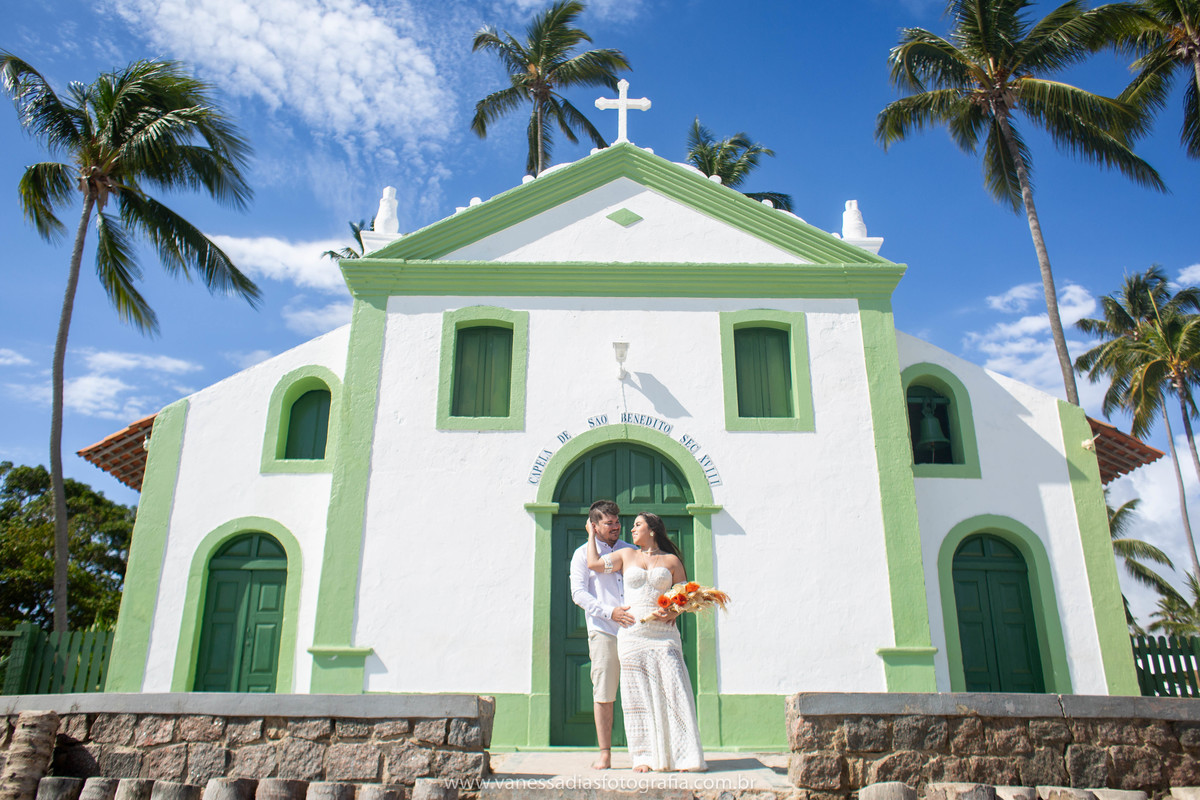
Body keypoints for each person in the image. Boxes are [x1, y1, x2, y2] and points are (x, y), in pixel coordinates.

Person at [586, 512, 706, 773]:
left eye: (637, 525)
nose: (631, 530)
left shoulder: (671, 560)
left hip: (664, 636)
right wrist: (591, 533)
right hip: (632, 635)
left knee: (675, 691)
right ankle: (644, 757)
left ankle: (684, 755)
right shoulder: (626, 556)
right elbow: (594, 564)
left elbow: (687, 595)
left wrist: (674, 611)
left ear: (652, 530)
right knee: (636, 696)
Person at [569, 499, 636, 770]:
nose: (616, 527)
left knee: (639, 692)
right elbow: (579, 594)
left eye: (618, 522)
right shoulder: (581, 555)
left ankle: (642, 753)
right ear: (594, 526)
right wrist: (610, 613)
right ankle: (605, 753)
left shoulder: (630, 550)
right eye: (609, 523)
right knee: (604, 692)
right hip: (604, 631)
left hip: (635, 630)